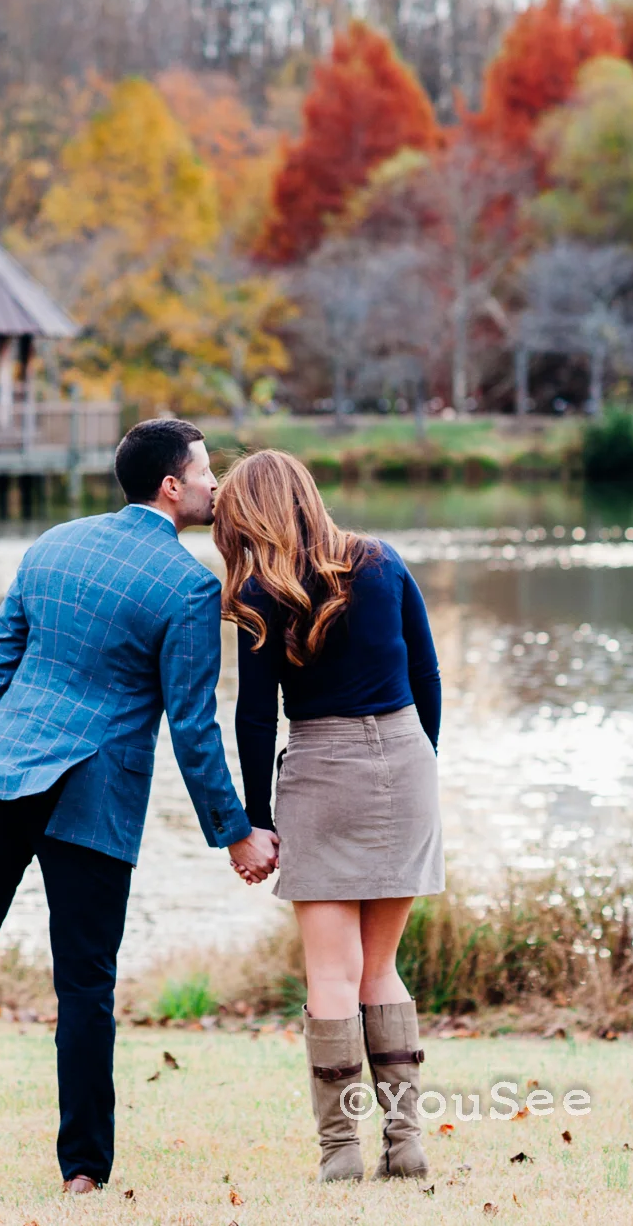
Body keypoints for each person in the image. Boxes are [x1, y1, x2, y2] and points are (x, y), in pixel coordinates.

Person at [0, 419, 281, 1196]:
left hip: (5, 772)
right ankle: (83, 1174)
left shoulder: (53, 544)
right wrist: (236, 833)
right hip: (94, 791)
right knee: (84, 983)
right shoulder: (189, 588)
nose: (215, 483)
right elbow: (192, 726)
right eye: (206, 471)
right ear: (171, 486)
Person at [210, 449, 444, 1183]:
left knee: (331, 975)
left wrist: (255, 815)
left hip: (321, 763)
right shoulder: (382, 559)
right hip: (405, 757)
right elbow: (428, 675)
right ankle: (404, 1144)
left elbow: (254, 716)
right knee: (383, 968)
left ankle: (340, 1152)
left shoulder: (260, 589)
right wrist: (417, 762)